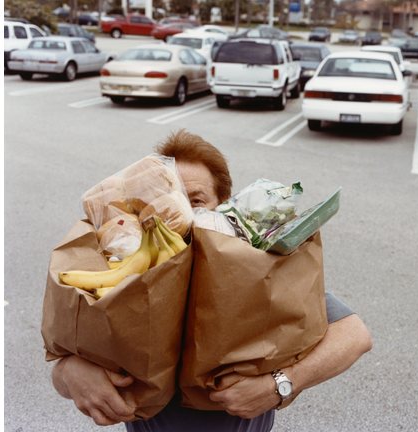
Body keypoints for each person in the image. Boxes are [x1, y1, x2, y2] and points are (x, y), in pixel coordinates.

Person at [51, 129, 373, 431]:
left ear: (224, 204)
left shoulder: (252, 265)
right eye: (166, 198)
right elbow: (65, 364)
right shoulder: (119, 268)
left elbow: (354, 335)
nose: (180, 213)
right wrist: (71, 372)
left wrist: (279, 383)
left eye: (195, 200)